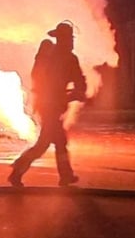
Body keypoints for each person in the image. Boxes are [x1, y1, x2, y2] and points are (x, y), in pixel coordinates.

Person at [8, 21, 87, 187]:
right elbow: (75, 81)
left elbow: (78, 81)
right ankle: (18, 169)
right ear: (62, 39)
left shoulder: (54, 57)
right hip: (50, 106)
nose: (71, 42)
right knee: (45, 144)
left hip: (48, 105)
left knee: (58, 141)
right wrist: (75, 93)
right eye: (69, 39)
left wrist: (76, 92)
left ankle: (65, 175)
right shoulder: (64, 58)